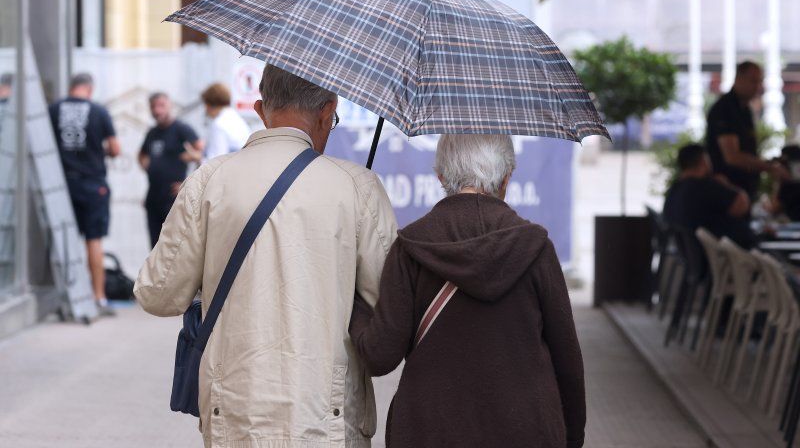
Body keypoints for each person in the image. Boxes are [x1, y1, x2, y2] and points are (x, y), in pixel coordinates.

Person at [135, 64, 398, 447]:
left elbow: (156, 294)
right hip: (327, 413)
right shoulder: (358, 186)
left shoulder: (209, 180)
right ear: (328, 111)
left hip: (236, 413)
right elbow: (391, 308)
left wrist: (205, 286)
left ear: (261, 110)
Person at [349, 134, 586, 448]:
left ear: (440, 176)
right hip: (528, 430)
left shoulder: (410, 248)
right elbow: (567, 359)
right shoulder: (536, 248)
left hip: (429, 431)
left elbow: (380, 357)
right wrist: (572, 435)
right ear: (507, 177)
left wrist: (357, 302)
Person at [49, 73, 120, 316]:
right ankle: (98, 298)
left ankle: (65, 297)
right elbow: (115, 149)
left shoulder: (54, 109)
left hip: (62, 185)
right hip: (93, 184)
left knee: (65, 242)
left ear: (71, 88)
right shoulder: (99, 111)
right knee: (94, 240)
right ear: (89, 89)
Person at [706, 60, 789, 201]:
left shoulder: (745, 110)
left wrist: (768, 164)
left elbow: (745, 151)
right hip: (729, 193)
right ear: (739, 79)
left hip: (744, 190)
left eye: (759, 82)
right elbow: (732, 156)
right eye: (753, 81)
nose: (757, 87)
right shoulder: (725, 109)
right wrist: (769, 168)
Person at [138, 92, 203, 248]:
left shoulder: (181, 129)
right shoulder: (152, 133)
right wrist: (151, 169)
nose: (157, 110)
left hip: (173, 199)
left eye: (161, 106)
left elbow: (202, 155)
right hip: (154, 198)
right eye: (153, 107)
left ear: (170, 106)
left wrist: (189, 184)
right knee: (154, 248)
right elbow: (141, 155)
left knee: (173, 248)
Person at [663, 143, 755, 249]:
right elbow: (742, 205)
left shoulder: (674, 190)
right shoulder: (704, 186)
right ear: (704, 160)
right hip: (724, 257)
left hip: (693, 257)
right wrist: (727, 185)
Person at [198, 82, 251, 161]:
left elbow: (216, 162)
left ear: (210, 104)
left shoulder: (218, 124)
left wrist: (197, 158)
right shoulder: (237, 119)